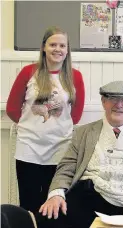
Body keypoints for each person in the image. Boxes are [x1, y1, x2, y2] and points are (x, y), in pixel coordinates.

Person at [37, 81, 123, 228]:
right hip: (90, 198)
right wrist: (56, 194)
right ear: (103, 102)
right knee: (51, 214)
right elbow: (66, 168)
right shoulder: (84, 133)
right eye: (113, 99)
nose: (119, 105)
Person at [6, 26, 85, 214]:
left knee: (55, 203)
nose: (57, 49)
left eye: (62, 45)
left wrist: (56, 127)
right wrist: (31, 128)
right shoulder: (28, 72)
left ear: (67, 50)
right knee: (29, 202)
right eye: (52, 44)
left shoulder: (75, 76)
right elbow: (12, 108)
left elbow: (76, 113)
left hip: (60, 149)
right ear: (43, 47)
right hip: (29, 148)